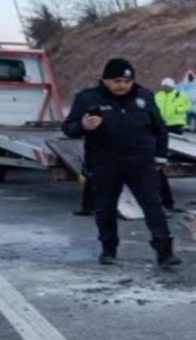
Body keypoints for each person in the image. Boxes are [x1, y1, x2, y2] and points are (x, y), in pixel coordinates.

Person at [62, 58, 179, 269]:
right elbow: (68, 128)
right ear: (105, 80)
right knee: (105, 207)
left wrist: (160, 157)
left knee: (153, 206)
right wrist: (82, 125)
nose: (122, 86)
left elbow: (160, 129)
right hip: (106, 162)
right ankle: (108, 250)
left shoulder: (145, 96)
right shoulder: (88, 98)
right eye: (116, 81)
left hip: (141, 163)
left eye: (127, 81)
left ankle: (165, 251)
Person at [153, 77, 191, 212]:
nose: (166, 88)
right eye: (164, 86)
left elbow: (186, 105)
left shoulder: (180, 95)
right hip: (162, 124)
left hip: (176, 123)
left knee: (175, 145)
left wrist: (177, 109)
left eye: (168, 86)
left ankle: (171, 157)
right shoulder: (158, 95)